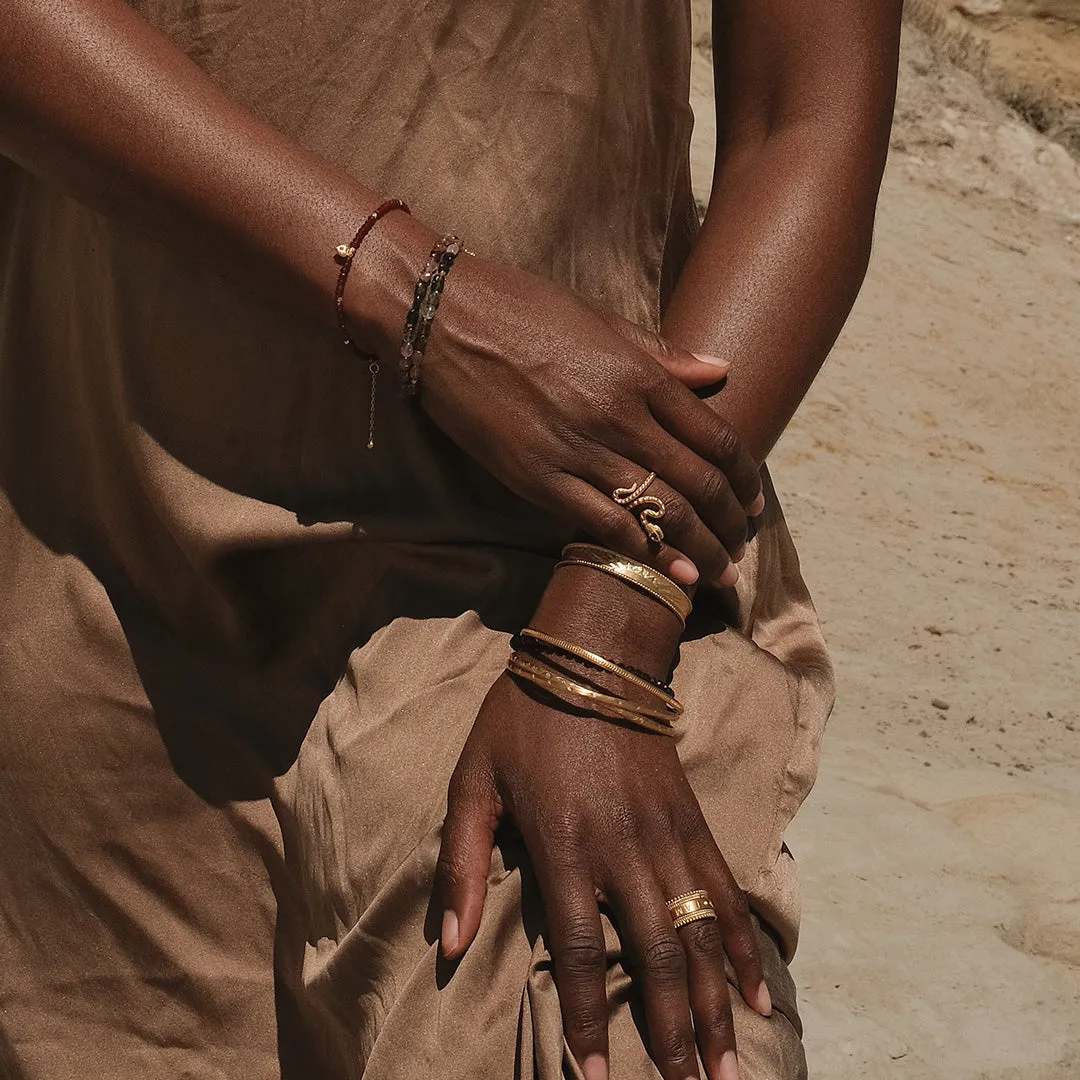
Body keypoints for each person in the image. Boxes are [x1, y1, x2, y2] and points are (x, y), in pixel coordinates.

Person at [0, 1, 901, 1077]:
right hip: (107, 566)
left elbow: (801, 121)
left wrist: (607, 633)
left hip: (543, 597)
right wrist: (421, 301)